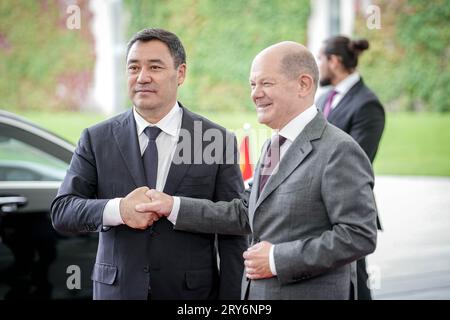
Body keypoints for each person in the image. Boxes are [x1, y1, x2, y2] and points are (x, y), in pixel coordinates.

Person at [136, 41, 378, 300]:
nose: (255, 94)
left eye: (266, 83)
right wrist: (173, 206)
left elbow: (359, 235)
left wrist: (276, 260)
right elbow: (244, 212)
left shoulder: (339, 150)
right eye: (253, 85)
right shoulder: (274, 144)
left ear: (303, 85)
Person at [50, 28, 247, 300]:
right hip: (117, 292)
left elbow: (236, 219)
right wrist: (119, 209)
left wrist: (232, 301)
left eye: (155, 66)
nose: (142, 77)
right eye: (133, 67)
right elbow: (63, 211)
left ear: (180, 74)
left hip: (191, 295)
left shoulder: (214, 139)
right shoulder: (97, 138)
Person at [316, 36, 385, 300]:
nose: (318, 65)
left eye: (321, 59)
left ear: (334, 61)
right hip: (318, 203)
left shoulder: (367, 104)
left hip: (347, 206)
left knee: (356, 280)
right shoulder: (322, 99)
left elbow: (357, 160)